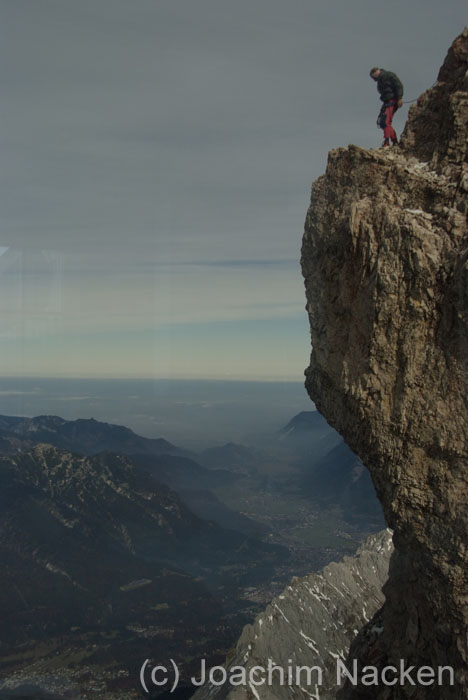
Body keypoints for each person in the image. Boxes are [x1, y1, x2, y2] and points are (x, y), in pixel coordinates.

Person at [369, 67, 404, 147]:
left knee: (385, 122)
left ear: (376, 72)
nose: (374, 79)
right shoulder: (381, 80)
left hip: (392, 101)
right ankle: (393, 140)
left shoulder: (388, 75)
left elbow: (398, 85)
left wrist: (399, 98)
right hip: (387, 102)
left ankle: (388, 141)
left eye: (373, 76)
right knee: (383, 122)